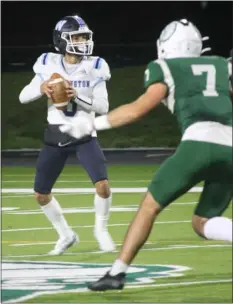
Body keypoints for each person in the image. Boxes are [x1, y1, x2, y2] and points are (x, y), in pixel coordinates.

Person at [60, 19, 233, 291]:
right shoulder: (222, 65)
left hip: (197, 143)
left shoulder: (164, 67)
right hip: (231, 148)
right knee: (203, 222)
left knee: (149, 207)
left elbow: (139, 108)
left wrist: (93, 124)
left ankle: (117, 273)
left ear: (166, 45)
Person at [19, 15, 116, 255]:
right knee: (41, 194)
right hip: (55, 134)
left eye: (84, 37)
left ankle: (101, 230)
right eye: (76, 37)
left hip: (84, 134)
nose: (82, 42)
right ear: (61, 40)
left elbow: (103, 107)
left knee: (103, 186)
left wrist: (76, 97)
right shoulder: (47, 63)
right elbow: (23, 96)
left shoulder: (95, 66)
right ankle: (66, 235)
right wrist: (40, 88)